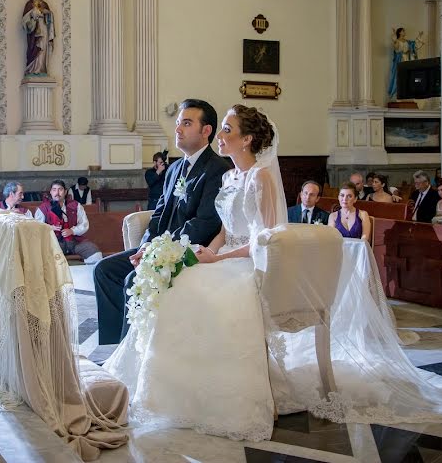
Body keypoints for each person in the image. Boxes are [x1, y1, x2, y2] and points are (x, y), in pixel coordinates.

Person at [105, 105, 281, 441]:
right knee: (178, 284)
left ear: (246, 139)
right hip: (225, 255)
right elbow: (226, 231)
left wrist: (219, 259)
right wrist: (212, 252)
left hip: (249, 263)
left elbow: (265, 238)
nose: (221, 136)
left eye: (227, 130)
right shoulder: (230, 177)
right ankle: (174, 387)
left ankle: (209, 389)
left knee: (189, 291)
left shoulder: (261, 177)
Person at [94, 99, 229, 345]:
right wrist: (146, 244)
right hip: (158, 248)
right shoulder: (175, 168)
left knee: (132, 279)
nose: (178, 129)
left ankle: (132, 350)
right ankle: (114, 347)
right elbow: (157, 214)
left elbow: (205, 223)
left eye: (186, 124)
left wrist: (157, 250)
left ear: (206, 130)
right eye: (178, 123)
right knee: (104, 270)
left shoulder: (218, 169)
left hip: (188, 251)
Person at [35, 180, 103, 263]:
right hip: (55, 243)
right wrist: (50, 228)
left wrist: (72, 231)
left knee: (94, 252)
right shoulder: (43, 208)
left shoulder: (75, 205)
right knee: (45, 256)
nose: (57, 193)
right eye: (54, 190)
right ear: (51, 192)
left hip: (75, 242)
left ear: (65, 192)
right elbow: (37, 227)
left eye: (60, 189)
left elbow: (84, 224)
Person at [22, 0, 54, 75]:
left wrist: (48, 13)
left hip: (43, 27)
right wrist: (33, 14)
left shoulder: (44, 4)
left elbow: (49, 17)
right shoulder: (30, 4)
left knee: (43, 46)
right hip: (35, 28)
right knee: (35, 46)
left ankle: (41, 69)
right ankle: (33, 69)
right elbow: (24, 19)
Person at [388, 27, 425, 100]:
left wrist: (419, 36)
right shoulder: (398, 41)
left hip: (408, 60)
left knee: (409, 77)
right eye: (403, 31)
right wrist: (395, 40)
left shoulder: (408, 42)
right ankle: (398, 94)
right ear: (399, 33)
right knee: (399, 77)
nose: (404, 32)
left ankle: (407, 94)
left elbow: (414, 46)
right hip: (400, 60)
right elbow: (396, 48)